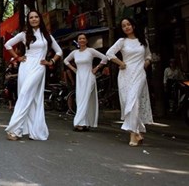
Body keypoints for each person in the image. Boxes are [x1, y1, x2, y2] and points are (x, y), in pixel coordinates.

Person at [4, 10, 62, 141]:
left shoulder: (47, 35)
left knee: (27, 94)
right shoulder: (24, 34)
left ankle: (15, 129)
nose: (34, 19)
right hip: (26, 65)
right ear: (28, 20)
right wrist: (17, 58)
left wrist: (51, 61)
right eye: (31, 17)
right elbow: (7, 44)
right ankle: (30, 130)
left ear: (40, 19)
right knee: (27, 95)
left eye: (36, 17)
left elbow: (59, 51)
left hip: (39, 67)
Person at [105, 18, 153, 146]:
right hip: (125, 74)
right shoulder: (122, 41)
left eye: (128, 24)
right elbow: (109, 53)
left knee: (134, 101)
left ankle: (133, 134)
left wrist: (146, 64)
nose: (126, 27)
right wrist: (121, 63)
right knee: (129, 102)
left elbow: (148, 56)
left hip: (139, 74)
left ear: (133, 25)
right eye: (123, 26)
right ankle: (137, 133)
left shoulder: (143, 41)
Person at [63, 33, 108, 131]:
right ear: (77, 41)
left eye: (84, 38)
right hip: (79, 77)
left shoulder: (91, 51)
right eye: (80, 39)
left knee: (86, 99)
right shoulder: (74, 53)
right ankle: (85, 122)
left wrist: (97, 68)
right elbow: (66, 61)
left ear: (87, 41)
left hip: (89, 76)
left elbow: (105, 58)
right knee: (80, 99)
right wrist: (74, 69)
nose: (82, 40)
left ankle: (79, 122)